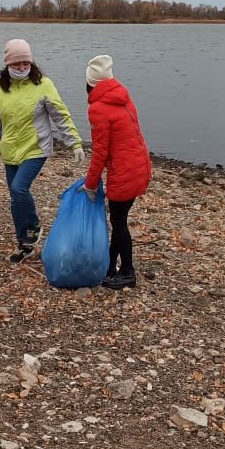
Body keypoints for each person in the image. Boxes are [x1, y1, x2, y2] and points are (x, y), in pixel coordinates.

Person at [0, 38, 84, 263]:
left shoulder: (43, 85)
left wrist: (74, 143)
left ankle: (34, 225)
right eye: (17, 64)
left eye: (26, 63)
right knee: (15, 199)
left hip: (36, 148)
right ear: (8, 64)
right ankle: (25, 245)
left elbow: (60, 115)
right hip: (10, 150)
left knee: (19, 189)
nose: (22, 68)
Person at [82, 55, 152, 290]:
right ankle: (111, 266)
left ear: (90, 82)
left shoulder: (98, 109)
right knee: (118, 218)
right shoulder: (123, 98)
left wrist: (90, 185)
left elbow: (100, 153)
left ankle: (128, 272)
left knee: (119, 222)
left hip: (125, 171)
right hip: (140, 166)